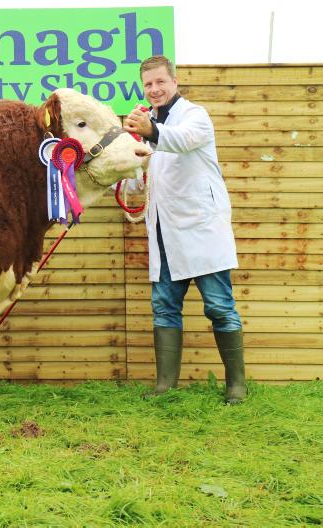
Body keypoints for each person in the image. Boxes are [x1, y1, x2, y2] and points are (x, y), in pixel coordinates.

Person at [123, 55, 246, 404]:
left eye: (160, 82)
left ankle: (236, 385)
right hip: (164, 233)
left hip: (202, 230)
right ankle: (165, 386)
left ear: (175, 82)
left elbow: (181, 140)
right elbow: (142, 174)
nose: (154, 89)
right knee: (164, 307)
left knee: (219, 306)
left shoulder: (195, 116)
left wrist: (148, 131)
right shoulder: (148, 124)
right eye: (148, 84)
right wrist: (129, 170)